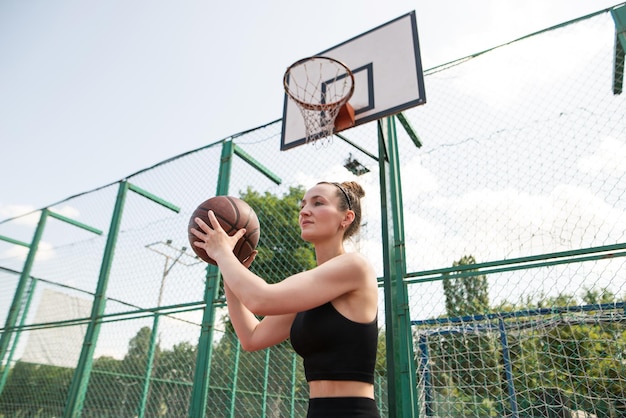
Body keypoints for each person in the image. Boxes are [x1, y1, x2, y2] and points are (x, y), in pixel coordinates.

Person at [190, 181, 380, 417]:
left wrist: (223, 252)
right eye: (303, 205)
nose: (304, 211)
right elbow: (252, 337)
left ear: (346, 217)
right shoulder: (309, 288)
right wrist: (229, 268)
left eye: (318, 203)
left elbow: (261, 299)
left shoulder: (354, 267)